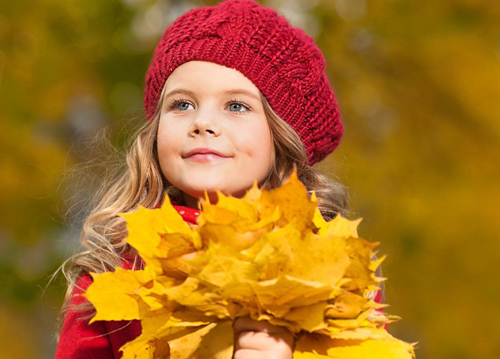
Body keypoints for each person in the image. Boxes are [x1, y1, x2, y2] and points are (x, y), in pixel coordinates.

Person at [55, 0, 373, 357]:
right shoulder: (114, 272)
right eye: (182, 105)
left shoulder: (330, 273)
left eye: (236, 106)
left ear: (282, 138)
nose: (202, 123)